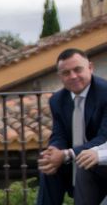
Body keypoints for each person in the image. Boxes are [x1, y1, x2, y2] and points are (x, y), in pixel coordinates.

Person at [36, 48, 107, 205]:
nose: (73, 76)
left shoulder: (105, 93)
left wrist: (67, 154)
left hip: (101, 163)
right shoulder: (57, 100)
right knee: (49, 166)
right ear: (59, 76)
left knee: (84, 163)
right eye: (66, 73)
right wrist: (54, 151)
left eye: (77, 69)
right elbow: (59, 134)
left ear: (90, 67)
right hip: (73, 160)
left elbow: (104, 138)